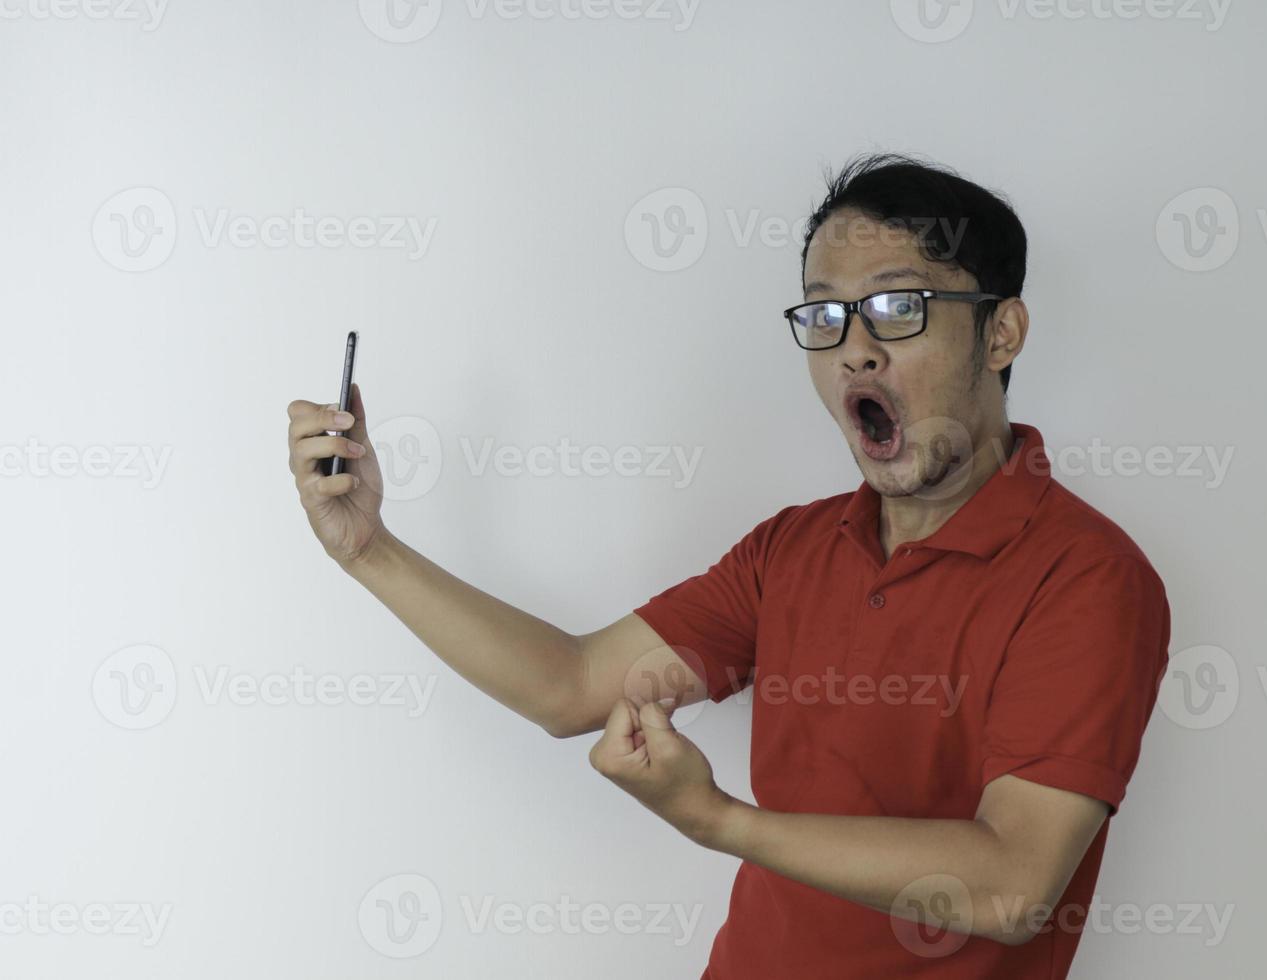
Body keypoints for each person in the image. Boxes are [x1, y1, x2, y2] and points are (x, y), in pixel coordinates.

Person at [285, 152, 1171, 978]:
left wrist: (718, 822)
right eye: (825, 315)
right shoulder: (792, 551)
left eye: (899, 306)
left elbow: (1013, 883)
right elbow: (572, 685)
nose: (855, 348)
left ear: (1001, 332)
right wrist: (370, 552)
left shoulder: (1089, 579)